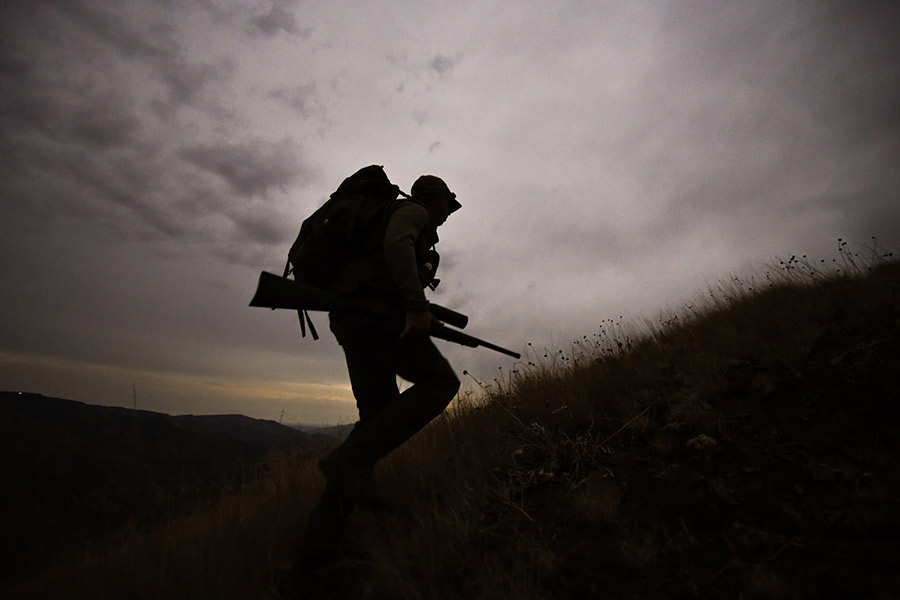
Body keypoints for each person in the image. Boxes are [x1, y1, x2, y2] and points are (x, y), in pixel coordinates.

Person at [298, 174, 462, 559]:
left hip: (353, 319)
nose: (447, 215)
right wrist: (417, 307)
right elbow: (395, 244)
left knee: (376, 421)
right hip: (373, 316)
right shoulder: (413, 211)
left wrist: (417, 306)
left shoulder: (390, 217)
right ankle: (350, 461)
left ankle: (316, 548)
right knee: (440, 383)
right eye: (447, 207)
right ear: (436, 201)